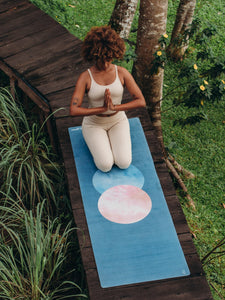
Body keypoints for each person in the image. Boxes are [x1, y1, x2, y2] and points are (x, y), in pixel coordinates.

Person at [70, 25, 146, 172]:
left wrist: (115, 108)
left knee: (124, 162)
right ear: (93, 55)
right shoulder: (86, 77)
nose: (105, 64)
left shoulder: (122, 73)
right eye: (101, 59)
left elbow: (140, 101)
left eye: (109, 59)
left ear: (114, 54)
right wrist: (103, 109)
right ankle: (94, 140)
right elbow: (73, 109)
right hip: (94, 123)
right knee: (105, 165)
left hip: (117, 120)